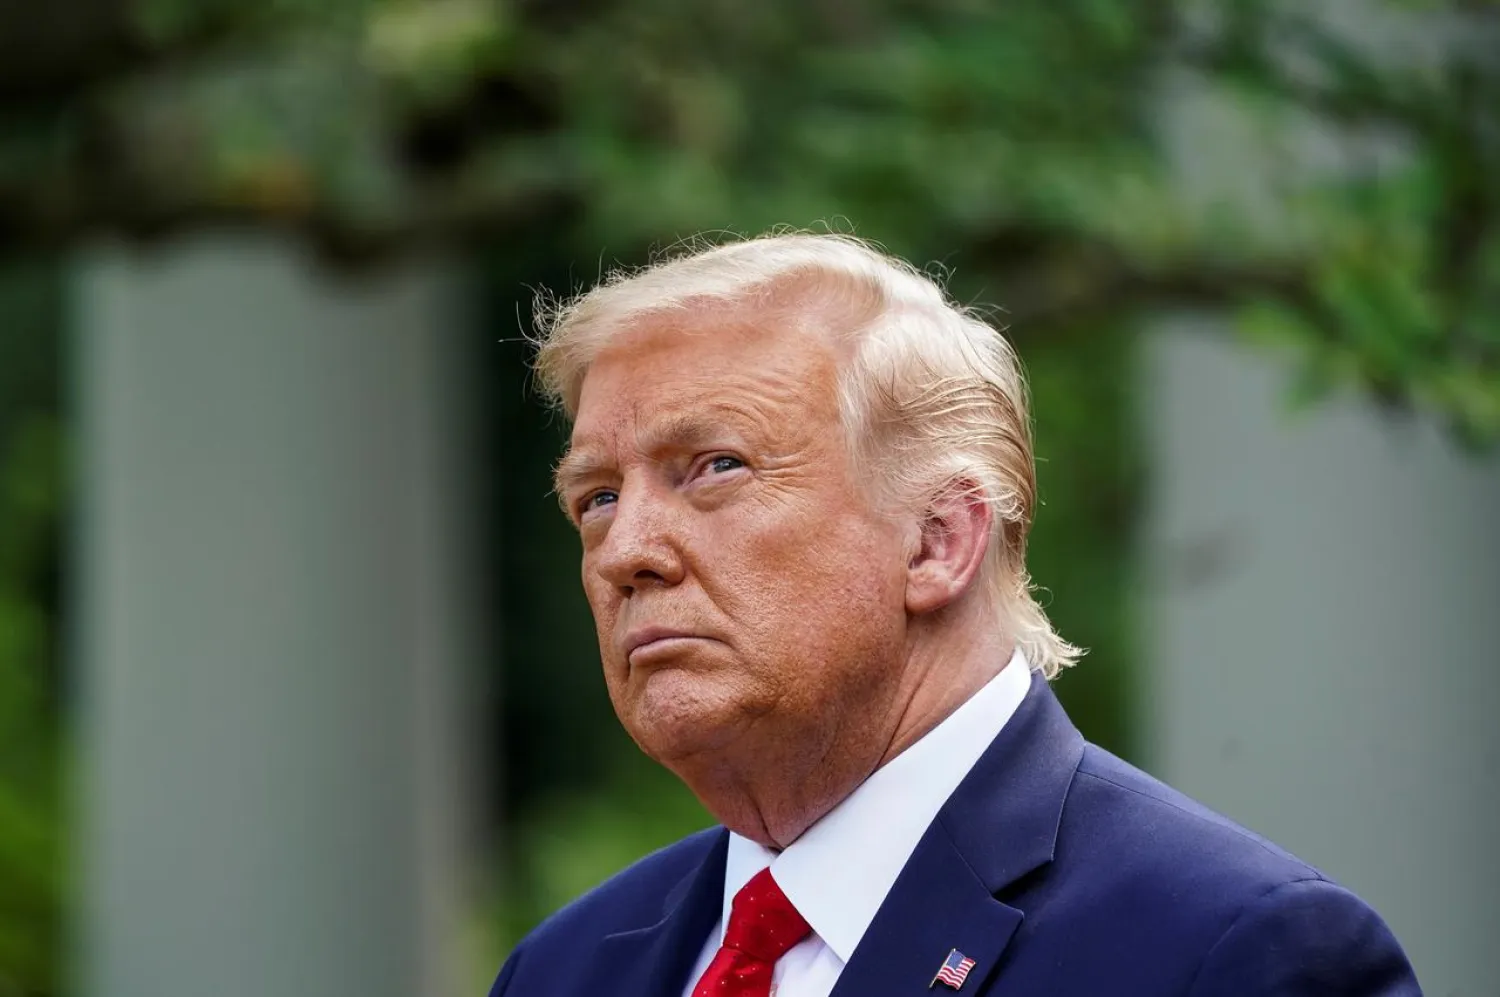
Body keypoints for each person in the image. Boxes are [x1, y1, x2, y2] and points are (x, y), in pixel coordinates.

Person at [487, 233, 1420, 996]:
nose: (624, 551)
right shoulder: (565, 969)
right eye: (598, 496)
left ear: (938, 540)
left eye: (716, 466)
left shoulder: (1235, 953)